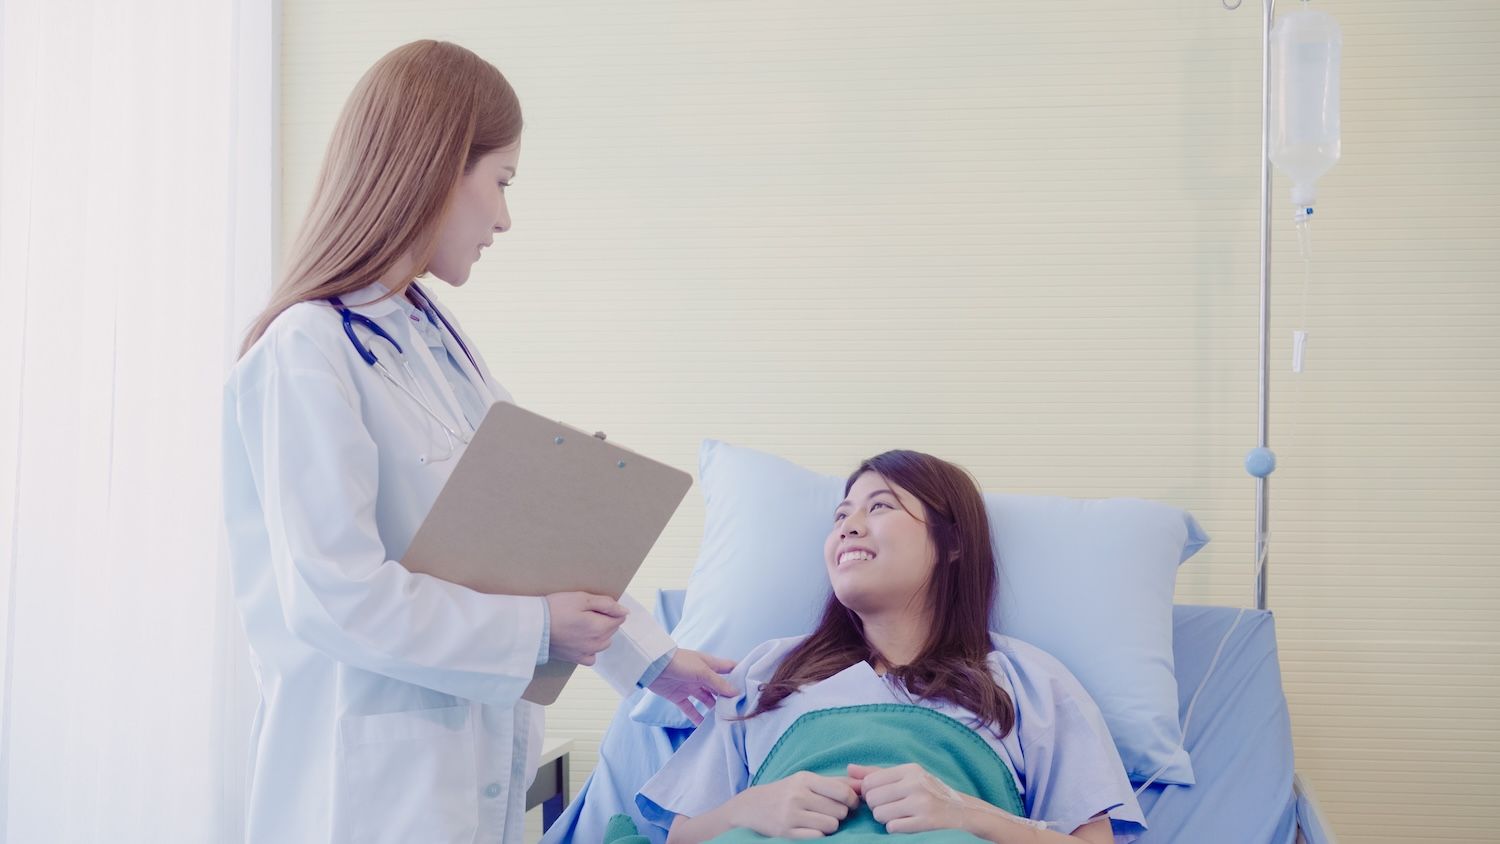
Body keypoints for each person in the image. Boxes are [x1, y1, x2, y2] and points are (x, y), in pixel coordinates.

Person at [222, 40, 734, 844]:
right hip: (366, 792)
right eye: (500, 182)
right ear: (433, 166)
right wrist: (538, 631)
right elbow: (334, 595)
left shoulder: (432, 335)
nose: (503, 217)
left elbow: (522, 538)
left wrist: (649, 658)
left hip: (462, 774)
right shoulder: (303, 350)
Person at [637, 451, 1147, 844]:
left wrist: (965, 813)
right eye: (840, 515)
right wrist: (747, 809)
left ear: (952, 543)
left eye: (879, 506)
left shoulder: (1026, 680)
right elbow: (681, 834)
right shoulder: (767, 671)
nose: (848, 527)